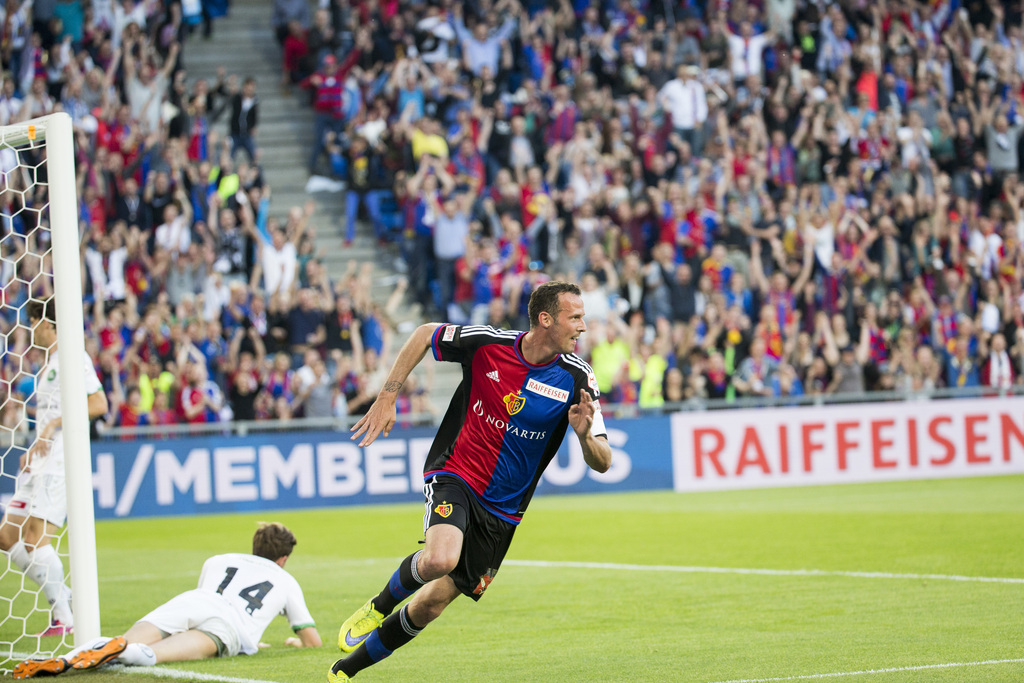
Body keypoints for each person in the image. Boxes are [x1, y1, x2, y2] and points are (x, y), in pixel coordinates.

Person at [328, 281, 611, 681]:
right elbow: (425, 334)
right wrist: (387, 396)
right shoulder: (488, 344)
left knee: (431, 605)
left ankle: (344, 672)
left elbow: (603, 461)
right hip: (457, 472)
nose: (583, 326)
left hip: (504, 511)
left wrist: (583, 435)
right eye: (576, 317)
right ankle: (378, 605)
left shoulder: (578, 376)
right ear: (546, 319)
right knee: (441, 557)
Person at [13, 522, 321, 679]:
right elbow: (312, 640)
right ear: (283, 558)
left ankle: (69, 658)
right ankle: (131, 653)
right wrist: (294, 643)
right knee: (149, 654)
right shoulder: (286, 580)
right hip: (229, 625)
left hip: (194, 601)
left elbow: (209, 598)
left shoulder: (219, 560)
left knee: (122, 640)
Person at [0, 299, 109, 636]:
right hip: (40, 459)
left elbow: (98, 403)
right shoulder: (50, 363)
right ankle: (64, 595)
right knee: (7, 535)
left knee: (35, 540)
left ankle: (64, 616)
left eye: (35, 323)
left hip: (61, 459)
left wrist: (51, 428)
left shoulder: (74, 358)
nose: (32, 330)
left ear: (49, 326)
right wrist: (36, 443)